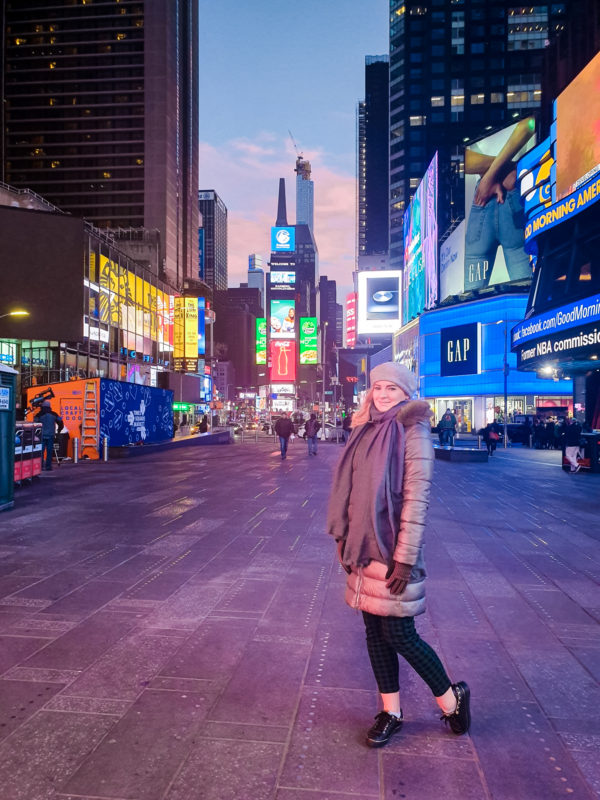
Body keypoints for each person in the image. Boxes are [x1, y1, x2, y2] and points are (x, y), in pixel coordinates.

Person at [326, 362, 470, 749]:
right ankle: (391, 711)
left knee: (401, 633)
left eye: (392, 388)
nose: (383, 394)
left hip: (392, 549)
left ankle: (451, 699)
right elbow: (351, 490)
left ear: (406, 392)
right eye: (377, 388)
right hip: (362, 546)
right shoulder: (364, 429)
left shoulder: (413, 432)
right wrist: (344, 539)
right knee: (374, 632)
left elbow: (416, 500)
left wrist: (405, 558)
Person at [36, 400, 64, 471]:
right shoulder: (54, 414)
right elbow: (61, 422)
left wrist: (36, 434)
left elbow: (35, 424)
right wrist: (58, 431)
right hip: (51, 435)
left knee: (40, 452)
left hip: (41, 436)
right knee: (49, 452)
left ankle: (41, 466)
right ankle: (48, 467)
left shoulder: (39, 414)